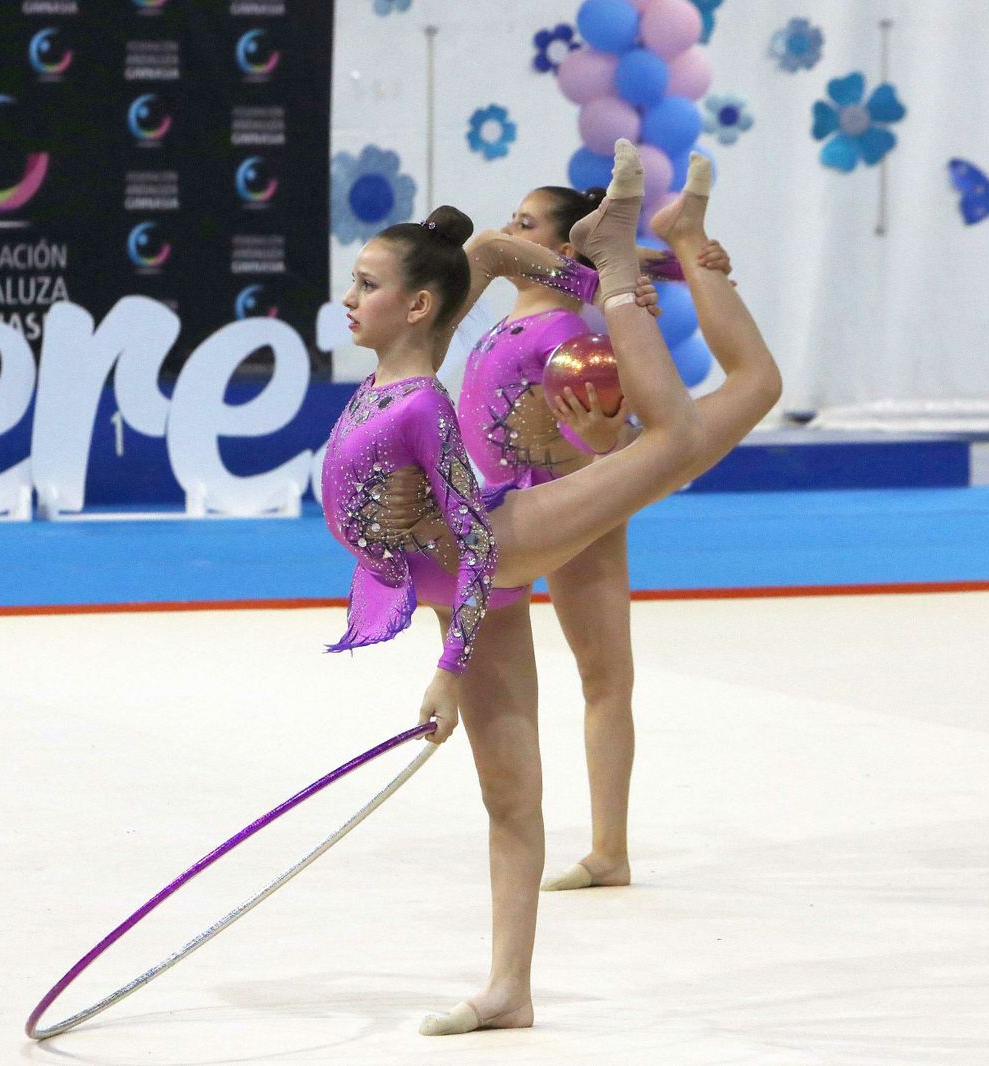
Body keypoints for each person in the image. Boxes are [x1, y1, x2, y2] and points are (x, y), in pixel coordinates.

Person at [321, 141, 782, 1035]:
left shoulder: (420, 400)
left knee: (677, 440)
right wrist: (652, 266)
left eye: (365, 283)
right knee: (510, 794)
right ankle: (509, 990)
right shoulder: (415, 354)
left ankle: (618, 261)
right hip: (453, 579)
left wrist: (450, 670)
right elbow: (489, 248)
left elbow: (475, 548)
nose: (347, 296)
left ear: (413, 304)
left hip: (490, 551)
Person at [382, 185, 732, 897]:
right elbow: (494, 252)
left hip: (570, 511)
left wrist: (639, 279)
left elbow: (628, 436)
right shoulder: (517, 320)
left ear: (564, 248)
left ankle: (610, 849)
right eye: (513, 216)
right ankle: (584, 840)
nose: (510, 228)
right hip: (520, 506)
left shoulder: (571, 340)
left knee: (605, 677)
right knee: (557, 678)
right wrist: (653, 266)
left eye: (526, 223)